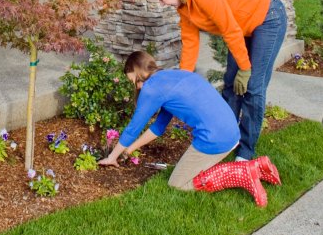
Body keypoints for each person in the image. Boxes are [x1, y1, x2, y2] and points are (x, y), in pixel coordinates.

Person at [145, 0, 287, 162]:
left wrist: (245, 70)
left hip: (267, 16)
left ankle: (245, 153)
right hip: (242, 25)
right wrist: (183, 79)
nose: (162, 4)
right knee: (230, 84)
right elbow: (190, 42)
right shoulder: (184, 4)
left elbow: (230, 31)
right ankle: (226, 139)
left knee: (253, 87)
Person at [98, 51, 280, 205]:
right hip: (231, 132)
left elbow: (132, 129)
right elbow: (159, 127)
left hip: (214, 138)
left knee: (177, 183)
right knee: (187, 172)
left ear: (138, 73)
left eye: (134, 81)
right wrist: (129, 150)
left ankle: (241, 172)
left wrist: (112, 157)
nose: (137, 87)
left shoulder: (151, 88)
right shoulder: (173, 76)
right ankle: (257, 166)